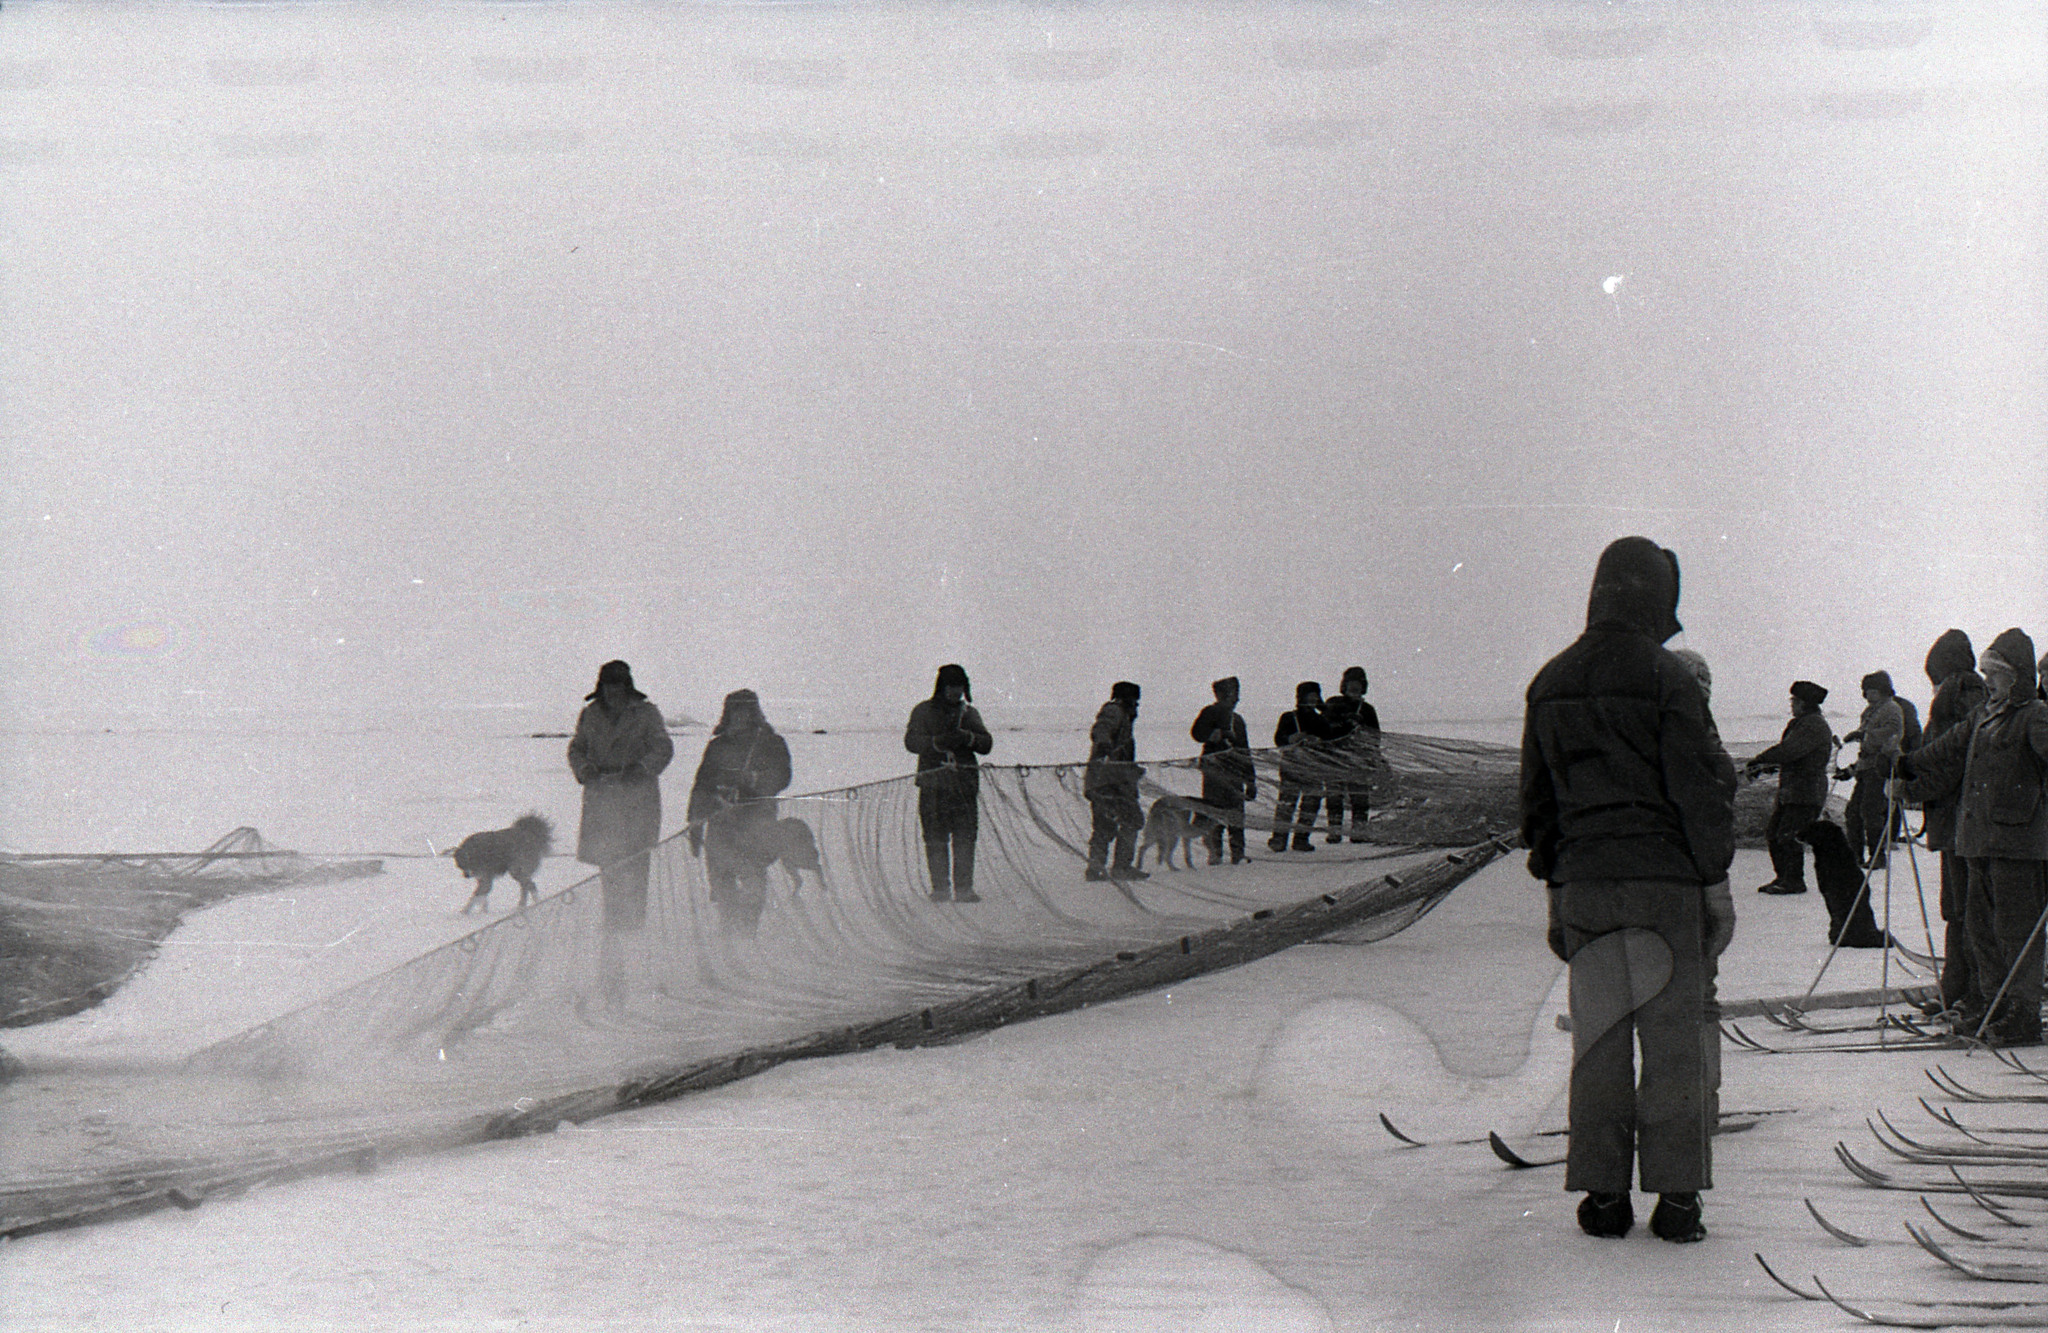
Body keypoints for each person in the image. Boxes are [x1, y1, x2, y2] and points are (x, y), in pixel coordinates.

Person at [1521, 536, 1734, 1243]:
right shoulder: (1667, 677)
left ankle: (1605, 1197)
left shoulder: (1549, 682)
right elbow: (1698, 788)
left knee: (1600, 1042)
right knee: (1672, 1040)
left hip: (1584, 884)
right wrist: (1715, 881)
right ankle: (1676, 1201)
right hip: (1664, 884)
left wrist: (1556, 885)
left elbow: (1539, 805)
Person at [1893, 629, 2048, 1046]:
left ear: (2016, 675)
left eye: (1994, 672)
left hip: (2020, 843)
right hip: (1977, 839)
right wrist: (1908, 765)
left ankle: (2023, 1013)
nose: (1988, 679)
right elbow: (1946, 747)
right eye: (1985, 672)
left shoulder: (2034, 715)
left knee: (2017, 931)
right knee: (1981, 930)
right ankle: (1994, 1002)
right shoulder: (1983, 714)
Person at [566, 660, 675, 932]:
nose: (612, 693)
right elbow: (576, 748)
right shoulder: (590, 714)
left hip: (638, 800)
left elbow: (663, 748)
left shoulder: (647, 713)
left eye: (617, 687)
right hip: (602, 800)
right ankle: (613, 921)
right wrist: (586, 770)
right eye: (607, 687)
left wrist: (642, 770)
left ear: (627, 687)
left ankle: (636, 922)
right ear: (600, 688)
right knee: (608, 862)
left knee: (637, 861)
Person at [1915, 630, 1988, 1016]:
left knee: (1968, 910)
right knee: (1957, 909)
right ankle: (1957, 987)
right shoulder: (1960, 697)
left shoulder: (1962, 695)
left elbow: (1956, 764)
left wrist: (1913, 786)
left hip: (1964, 821)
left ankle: (1973, 990)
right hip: (1953, 821)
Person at [686, 689, 793, 935]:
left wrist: (754, 779)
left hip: (757, 821)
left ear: (754, 713)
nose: (740, 716)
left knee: (753, 879)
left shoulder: (771, 743)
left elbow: (783, 776)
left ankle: (748, 935)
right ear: (728, 713)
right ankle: (729, 935)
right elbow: (702, 785)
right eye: (735, 711)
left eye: (745, 710)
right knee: (722, 882)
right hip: (720, 822)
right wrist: (695, 823)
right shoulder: (718, 746)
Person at [904, 664, 994, 903]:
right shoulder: (923, 711)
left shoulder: (969, 714)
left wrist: (968, 738)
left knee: (965, 836)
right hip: (933, 785)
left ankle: (964, 889)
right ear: (941, 688)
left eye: (960, 687)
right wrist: (937, 743)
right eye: (952, 687)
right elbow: (911, 742)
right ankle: (941, 889)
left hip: (964, 785)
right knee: (935, 836)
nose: (956, 692)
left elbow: (986, 744)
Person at [1743, 681, 1834, 895]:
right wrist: (1767, 766)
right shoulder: (1802, 723)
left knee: (1788, 834)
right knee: (1774, 833)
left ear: (1804, 703)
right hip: (1793, 791)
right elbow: (1791, 755)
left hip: (1807, 792)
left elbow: (1790, 751)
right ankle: (1783, 877)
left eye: (1794, 700)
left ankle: (1793, 880)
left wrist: (1761, 760)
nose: (1791, 704)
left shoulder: (1813, 725)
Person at [1841, 671, 1905, 870]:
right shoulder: (1871, 711)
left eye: (1871, 690)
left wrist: (1863, 735)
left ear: (1881, 690)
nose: (1866, 694)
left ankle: (1877, 855)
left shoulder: (1891, 709)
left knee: (1870, 811)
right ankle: (1855, 855)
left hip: (1881, 767)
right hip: (1867, 768)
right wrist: (1852, 768)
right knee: (1853, 813)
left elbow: (1892, 734)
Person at [1084, 681, 1148, 882]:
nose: (1137, 706)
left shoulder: (1122, 716)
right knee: (1131, 820)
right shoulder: (1114, 711)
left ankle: (1096, 868)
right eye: (1135, 701)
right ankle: (1120, 867)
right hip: (1111, 781)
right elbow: (1101, 731)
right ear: (1126, 699)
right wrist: (1105, 749)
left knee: (1105, 824)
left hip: (1107, 779)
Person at [1189, 677, 1256, 866]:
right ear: (1220, 695)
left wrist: (1250, 779)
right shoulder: (1210, 712)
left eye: (1236, 693)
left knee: (1236, 813)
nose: (1236, 698)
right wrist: (1213, 735)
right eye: (1232, 694)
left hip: (1235, 772)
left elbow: (1245, 751)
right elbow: (1197, 733)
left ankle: (1237, 852)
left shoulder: (1238, 720)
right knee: (1215, 810)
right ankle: (1215, 852)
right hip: (1214, 772)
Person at [1269, 681, 1335, 853]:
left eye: (1315, 696)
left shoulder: (1321, 720)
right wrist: (1292, 738)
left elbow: (1330, 743)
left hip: (1312, 768)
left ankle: (1301, 839)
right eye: (1310, 696)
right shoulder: (1289, 717)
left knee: (1310, 804)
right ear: (1301, 697)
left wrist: (1318, 742)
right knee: (1287, 804)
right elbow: (1279, 739)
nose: (1313, 699)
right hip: (1292, 767)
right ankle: (1279, 839)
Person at [1321, 665, 1382, 844]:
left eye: (1358, 685)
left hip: (1358, 760)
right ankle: (1334, 831)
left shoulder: (1368, 710)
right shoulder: (1333, 703)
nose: (1354, 688)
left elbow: (1375, 735)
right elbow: (1325, 728)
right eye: (1351, 684)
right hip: (1335, 758)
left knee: (1360, 797)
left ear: (1363, 687)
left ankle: (1359, 831)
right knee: (1334, 796)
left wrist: (1370, 753)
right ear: (1344, 686)